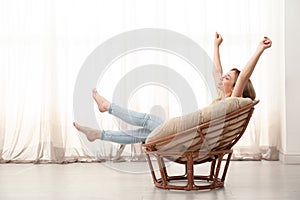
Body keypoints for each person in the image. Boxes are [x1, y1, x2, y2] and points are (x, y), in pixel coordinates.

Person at [73, 33, 272, 144]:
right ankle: (99, 134)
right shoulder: (223, 100)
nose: (222, 77)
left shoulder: (233, 101)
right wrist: (216, 46)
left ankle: (107, 107)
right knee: (144, 133)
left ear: (237, 86)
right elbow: (215, 72)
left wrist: (259, 49)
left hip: (189, 137)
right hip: (190, 136)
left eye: (228, 78)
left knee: (149, 120)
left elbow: (244, 76)